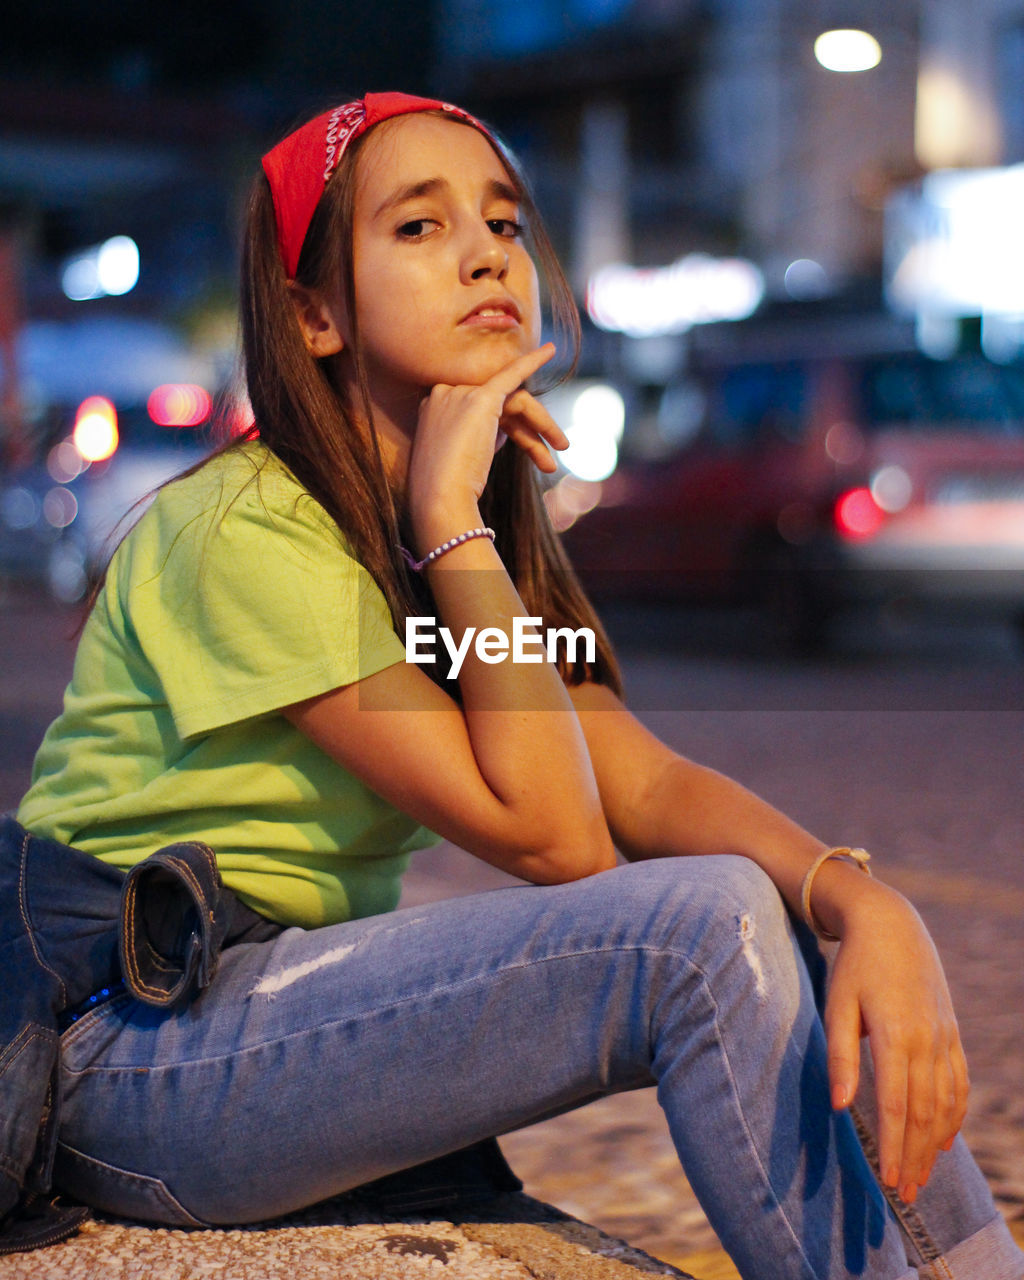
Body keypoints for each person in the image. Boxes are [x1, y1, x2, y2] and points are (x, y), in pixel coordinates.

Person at [6, 91, 1022, 1279]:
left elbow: (635, 777)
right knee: (698, 927)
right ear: (313, 312)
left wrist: (861, 902)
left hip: (270, 1015)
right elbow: (553, 835)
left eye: (501, 220)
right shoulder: (242, 529)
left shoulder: (442, 531)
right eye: (419, 228)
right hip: (133, 1047)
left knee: (785, 918)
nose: (488, 251)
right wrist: (451, 523)